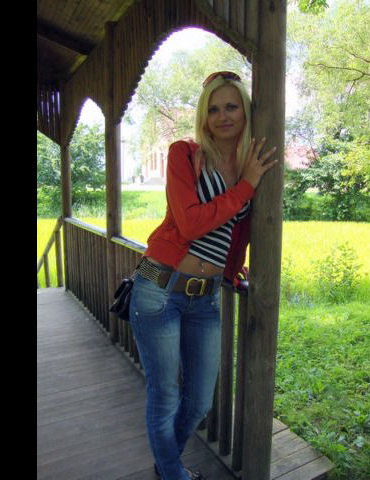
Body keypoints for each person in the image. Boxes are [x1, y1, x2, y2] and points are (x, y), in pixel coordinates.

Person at [128, 71, 278, 480]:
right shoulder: (185, 154)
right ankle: (173, 472)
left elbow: (239, 230)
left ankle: (167, 464)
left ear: (245, 111)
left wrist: (229, 269)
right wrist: (246, 186)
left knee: (198, 402)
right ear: (203, 116)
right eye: (213, 109)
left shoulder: (250, 164)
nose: (222, 116)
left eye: (231, 106)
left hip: (206, 296)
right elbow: (191, 223)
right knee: (165, 396)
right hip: (157, 284)